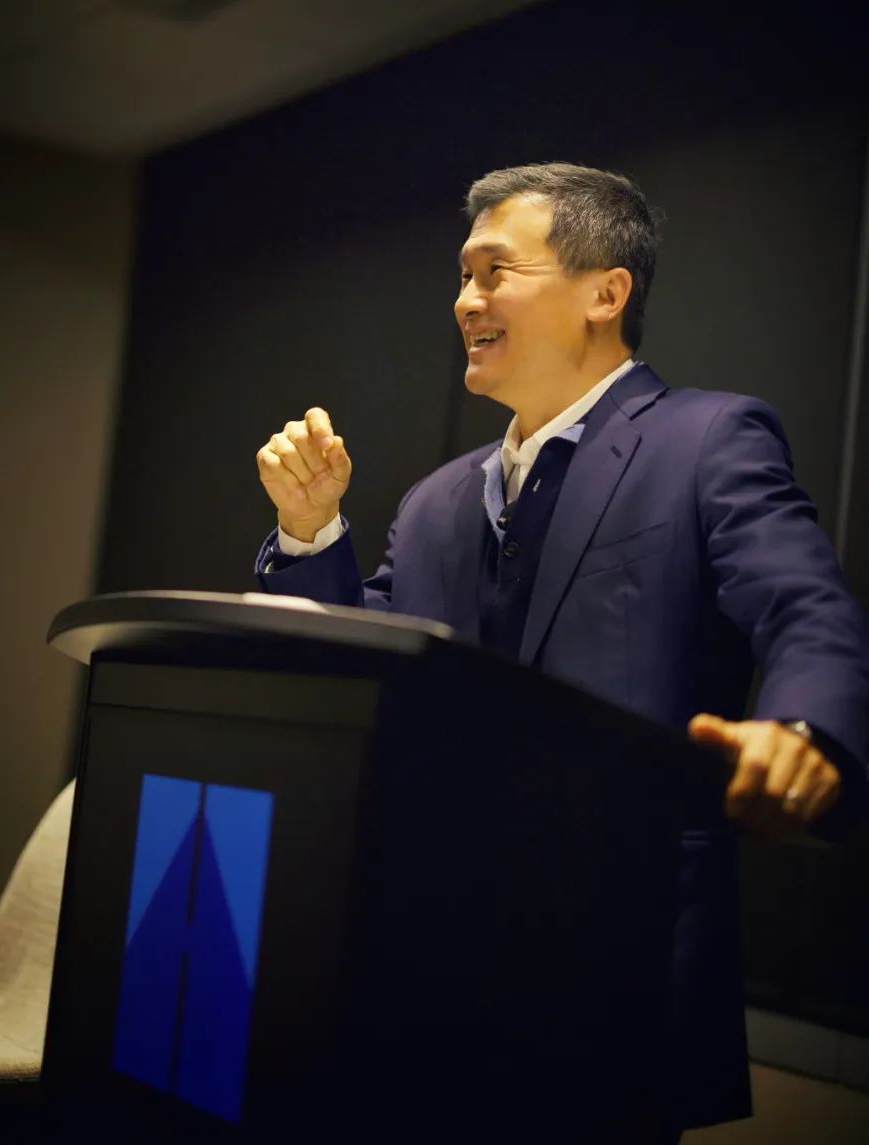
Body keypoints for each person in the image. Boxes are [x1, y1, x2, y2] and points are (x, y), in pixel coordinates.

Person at [252, 162, 869, 1137]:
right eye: (462, 276)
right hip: (422, 966)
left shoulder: (707, 439)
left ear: (605, 292)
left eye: (495, 271)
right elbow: (356, 663)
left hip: (613, 963)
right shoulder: (435, 500)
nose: (466, 300)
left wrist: (803, 728)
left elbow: (807, 606)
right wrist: (309, 531)